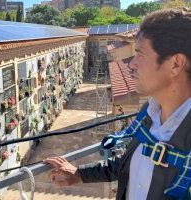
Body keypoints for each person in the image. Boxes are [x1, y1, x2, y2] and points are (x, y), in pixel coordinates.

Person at [44, 7, 191, 200]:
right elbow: (129, 162)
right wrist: (79, 175)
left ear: (175, 64)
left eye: (141, 54)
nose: (131, 64)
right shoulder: (149, 112)